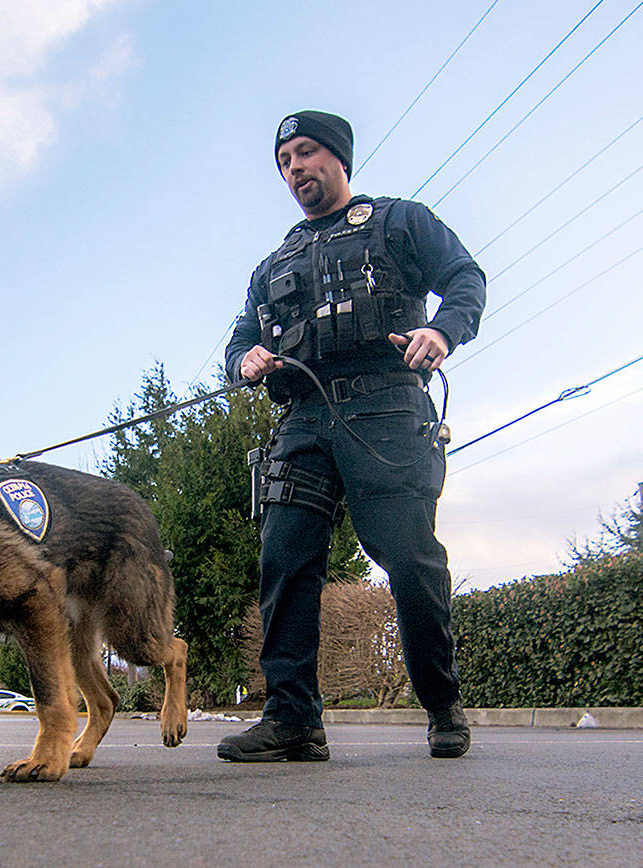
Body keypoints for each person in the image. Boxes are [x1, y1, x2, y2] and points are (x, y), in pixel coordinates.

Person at [219, 110, 485, 761]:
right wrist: (244, 361)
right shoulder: (273, 262)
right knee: (285, 558)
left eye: (305, 153)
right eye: (284, 162)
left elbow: (464, 278)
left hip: (386, 407)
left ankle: (442, 703)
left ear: (339, 158)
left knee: (408, 554)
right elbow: (239, 339)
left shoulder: (399, 221)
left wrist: (442, 332)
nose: (294, 169)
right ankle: (293, 720)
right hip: (302, 420)